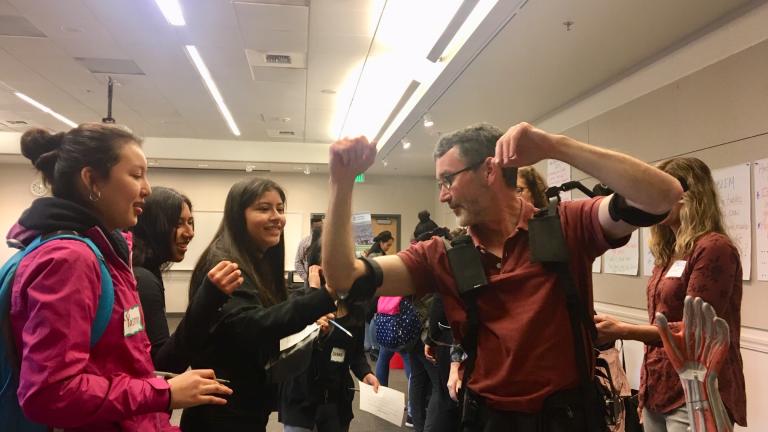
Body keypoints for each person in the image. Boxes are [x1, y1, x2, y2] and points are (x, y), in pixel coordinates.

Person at [321, 122, 683, 432]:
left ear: (489, 170)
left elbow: (662, 196)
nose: (443, 196)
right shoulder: (441, 256)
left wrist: (555, 145)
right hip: (489, 419)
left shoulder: (567, 226)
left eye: (449, 179)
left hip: (568, 418)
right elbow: (343, 280)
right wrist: (341, 183)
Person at [8, 124, 232, 431]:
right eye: (136, 175)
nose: (147, 188)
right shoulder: (70, 260)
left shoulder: (106, 252)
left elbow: (112, 364)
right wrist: (165, 393)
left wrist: (157, 385)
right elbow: (50, 393)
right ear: (91, 180)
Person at [594, 157, 747, 431]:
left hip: (696, 390)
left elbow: (696, 333)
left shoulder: (714, 248)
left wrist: (624, 330)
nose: (653, 203)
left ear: (689, 197)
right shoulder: (669, 252)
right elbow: (661, 321)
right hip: (659, 386)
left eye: (661, 194)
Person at [179, 177, 338, 432]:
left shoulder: (256, 259)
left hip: (244, 404)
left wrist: (309, 319)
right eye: (264, 209)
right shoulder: (226, 263)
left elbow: (266, 312)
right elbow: (252, 325)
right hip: (222, 411)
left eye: (280, 208)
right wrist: (322, 298)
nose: (277, 217)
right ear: (237, 215)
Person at [280, 230, 380, 432]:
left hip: (336, 402)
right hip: (300, 400)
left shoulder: (355, 306)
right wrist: (314, 293)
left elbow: (356, 354)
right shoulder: (297, 301)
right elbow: (288, 348)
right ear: (316, 266)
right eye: (330, 262)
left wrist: (366, 373)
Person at [294, 216, 323, 282]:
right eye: (317, 227)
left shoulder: (328, 243)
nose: (319, 229)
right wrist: (306, 278)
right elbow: (298, 262)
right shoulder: (304, 242)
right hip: (309, 280)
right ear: (312, 227)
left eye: (321, 227)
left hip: (326, 281)